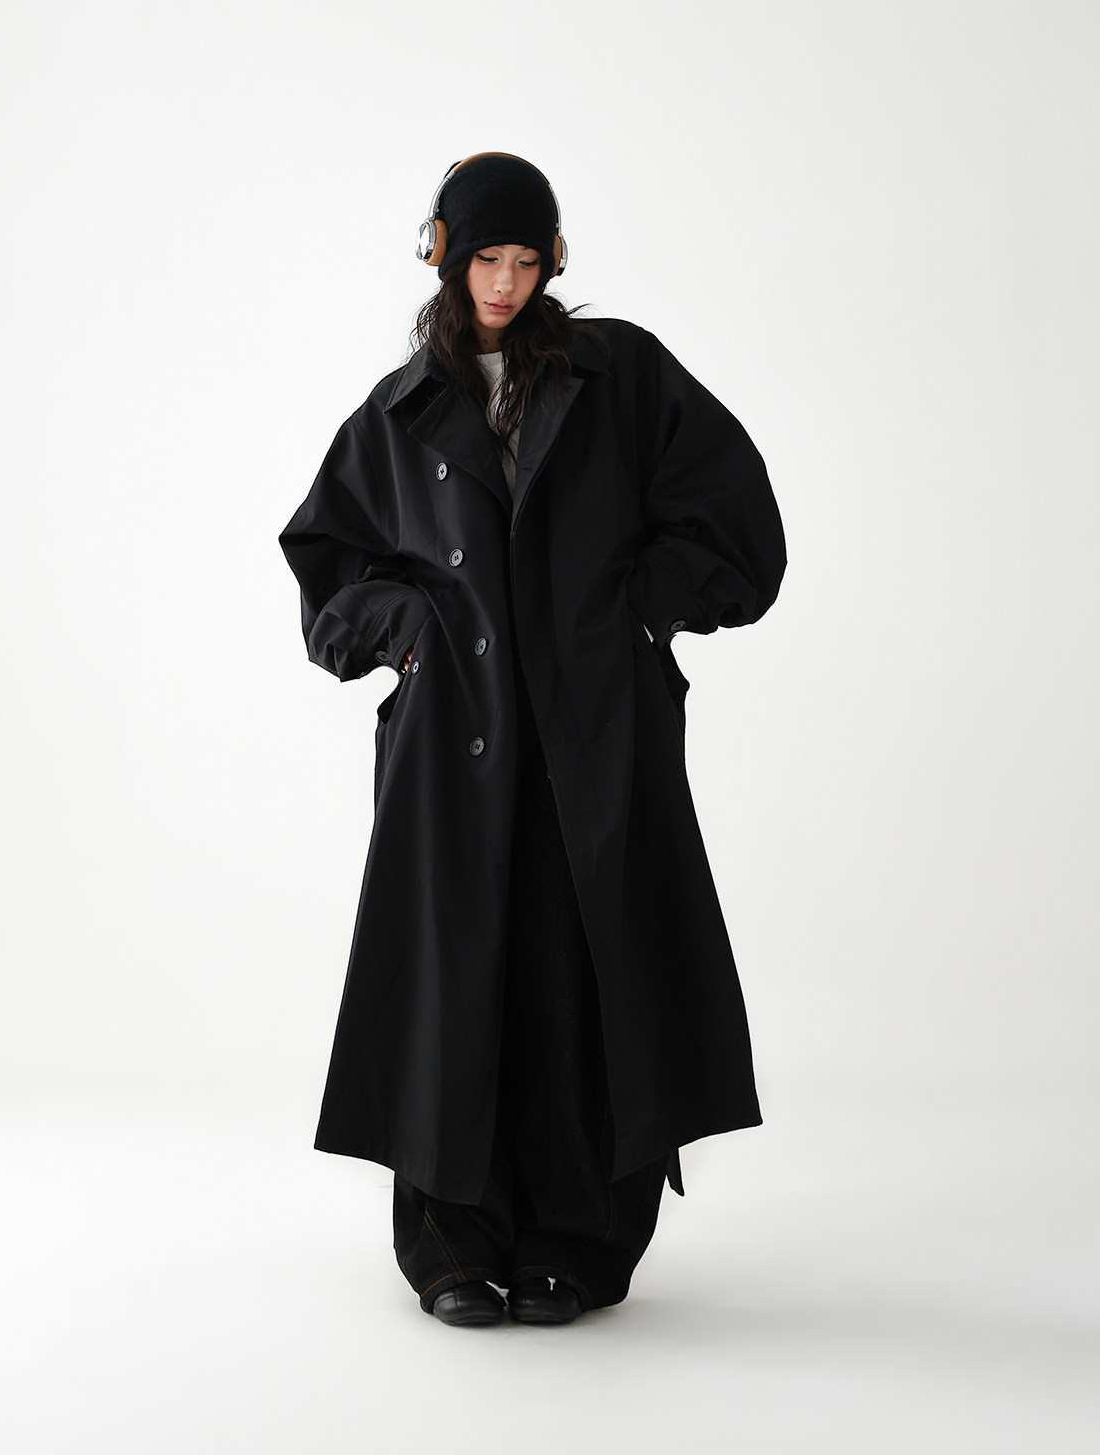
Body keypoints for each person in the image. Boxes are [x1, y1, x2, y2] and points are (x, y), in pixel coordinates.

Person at [279, 152, 786, 1326]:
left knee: (580, 975)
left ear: (553, 259)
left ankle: (578, 1237)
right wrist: (408, 631)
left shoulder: (623, 376)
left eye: (524, 259)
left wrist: (639, 611)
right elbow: (326, 572)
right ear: (444, 257)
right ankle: (451, 1242)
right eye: (483, 260)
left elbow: (741, 528)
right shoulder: (399, 412)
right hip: (453, 748)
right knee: (457, 982)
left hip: (592, 738)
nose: (504, 283)